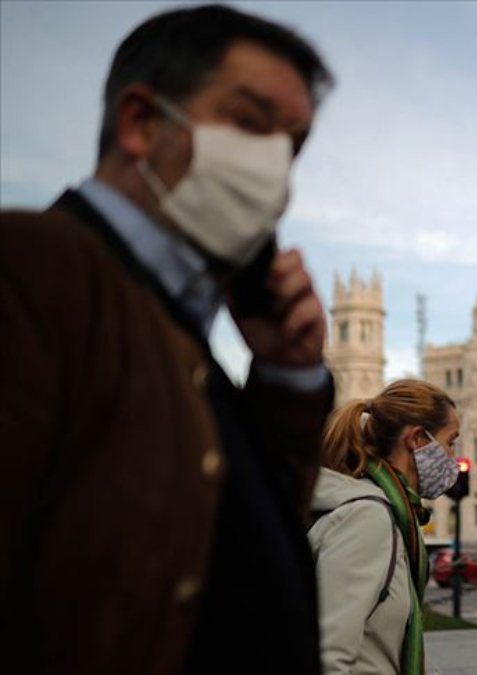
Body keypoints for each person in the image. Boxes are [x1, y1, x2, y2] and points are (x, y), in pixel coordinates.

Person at [0, 6, 334, 673]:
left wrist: (287, 381)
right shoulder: (32, 269)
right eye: (249, 123)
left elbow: (237, 548)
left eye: (292, 144)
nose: (273, 164)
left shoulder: (175, 323)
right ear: (140, 122)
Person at [310, 379, 462, 675]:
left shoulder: (396, 516)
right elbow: (328, 655)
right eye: (450, 442)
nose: (453, 458)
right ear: (417, 439)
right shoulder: (368, 518)